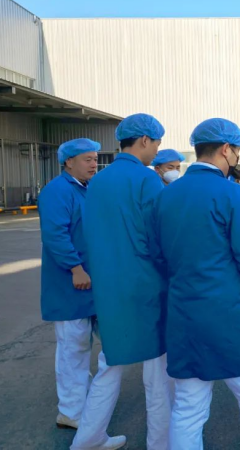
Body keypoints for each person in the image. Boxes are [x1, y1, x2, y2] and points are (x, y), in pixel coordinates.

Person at [156, 118, 240, 450]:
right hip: (229, 315)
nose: (238, 157)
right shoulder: (234, 195)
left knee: (188, 408)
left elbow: (158, 255)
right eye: (237, 151)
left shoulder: (166, 196)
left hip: (183, 314)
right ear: (226, 149)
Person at [71, 113, 172, 450]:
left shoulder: (98, 181)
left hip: (108, 286)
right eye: (156, 143)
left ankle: (87, 440)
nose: (156, 150)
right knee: (158, 373)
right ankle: (160, 444)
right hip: (146, 286)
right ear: (144, 140)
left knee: (109, 362)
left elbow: (91, 233)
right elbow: (158, 237)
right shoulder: (147, 180)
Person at [38, 138, 114, 434]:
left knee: (92, 345)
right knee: (74, 348)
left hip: (94, 282)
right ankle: (71, 412)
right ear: (68, 162)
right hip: (71, 283)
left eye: (95, 158)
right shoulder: (57, 191)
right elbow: (55, 235)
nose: (94, 164)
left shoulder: (87, 189)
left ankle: (86, 403)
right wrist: (76, 268)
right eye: (87, 159)